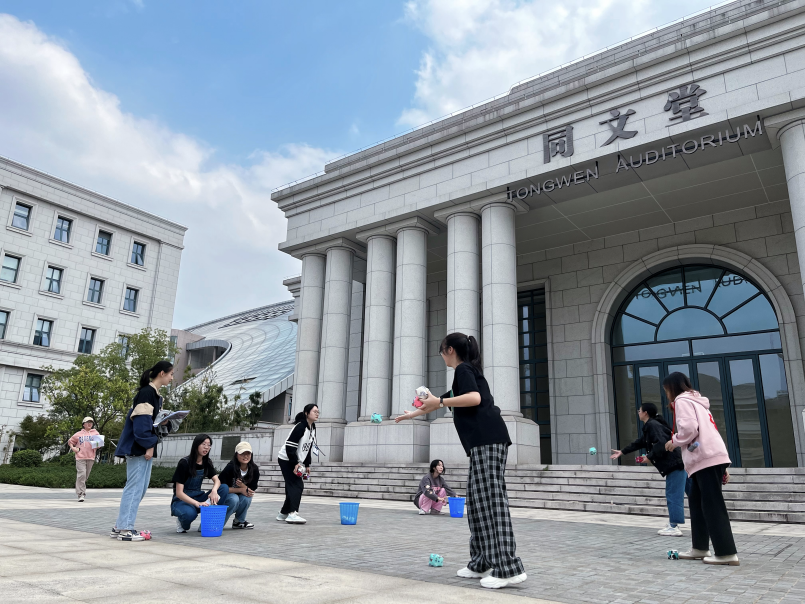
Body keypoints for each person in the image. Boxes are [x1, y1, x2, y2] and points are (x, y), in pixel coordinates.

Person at [396, 332, 526, 589]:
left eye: (441, 350)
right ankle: (481, 562)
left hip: (488, 441)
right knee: (477, 503)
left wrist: (441, 400)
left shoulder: (464, 370)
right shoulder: (464, 376)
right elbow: (437, 403)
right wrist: (413, 414)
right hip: (481, 444)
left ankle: (508, 568)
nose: (441, 356)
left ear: (450, 350)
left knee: (491, 502)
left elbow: (474, 398)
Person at [662, 372, 739, 566]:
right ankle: (700, 547)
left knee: (712, 504)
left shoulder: (682, 401)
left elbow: (689, 429)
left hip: (704, 457)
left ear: (671, 388)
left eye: (666, 390)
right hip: (709, 457)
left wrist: (674, 441)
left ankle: (726, 552)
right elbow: (710, 431)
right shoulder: (698, 402)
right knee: (697, 503)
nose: (666, 394)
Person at [112, 360, 174, 542]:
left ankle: (120, 526)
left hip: (143, 447)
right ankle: (125, 528)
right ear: (162, 373)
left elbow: (149, 422)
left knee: (139, 488)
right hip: (138, 447)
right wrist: (149, 445)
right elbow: (141, 425)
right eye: (171, 374)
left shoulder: (155, 395)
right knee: (134, 488)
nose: (172, 378)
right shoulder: (147, 393)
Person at [610, 402, 687, 536]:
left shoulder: (652, 425)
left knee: (673, 494)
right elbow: (640, 442)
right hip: (679, 463)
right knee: (695, 494)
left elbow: (661, 443)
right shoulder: (651, 426)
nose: (638, 413)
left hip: (675, 464)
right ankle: (705, 522)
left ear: (645, 413)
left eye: (639, 410)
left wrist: (649, 457)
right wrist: (622, 451)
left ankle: (674, 526)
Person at [171, 434, 233, 533]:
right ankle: (182, 521)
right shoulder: (184, 463)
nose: (206, 447)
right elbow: (179, 493)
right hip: (181, 501)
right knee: (189, 515)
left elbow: (217, 480)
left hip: (198, 497)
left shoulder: (206, 462)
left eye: (209, 445)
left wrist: (214, 491)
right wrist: (197, 503)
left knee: (223, 488)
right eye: (204, 444)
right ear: (196, 445)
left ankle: (208, 522)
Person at [276, 403, 318, 525]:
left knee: (292, 486)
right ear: (306, 413)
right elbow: (290, 446)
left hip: (294, 460)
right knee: (297, 485)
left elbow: (308, 447)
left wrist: (307, 464)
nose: (317, 414)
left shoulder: (312, 427)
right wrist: (295, 463)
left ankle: (283, 513)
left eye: (318, 412)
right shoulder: (300, 426)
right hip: (286, 459)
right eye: (314, 411)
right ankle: (292, 514)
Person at [219, 441, 260, 529]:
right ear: (236, 455)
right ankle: (217, 524)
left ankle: (239, 521)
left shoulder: (254, 469)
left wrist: (242, 486)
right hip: (227, 496)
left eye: (248, 453)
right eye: (242, 454)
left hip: (240, 496)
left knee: (247, 497)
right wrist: (240, 490)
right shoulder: (230, 467)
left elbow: (250, 491)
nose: (245, 456)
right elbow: (221, 488)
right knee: (234, 498)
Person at [68, 416, 100, 503]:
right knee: (81, 474)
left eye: (91, 422)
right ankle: (81, 494)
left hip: (90, 457)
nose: (89, 424)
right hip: (80, 457)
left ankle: (80, 487)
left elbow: (99, 444)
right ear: (83, 424)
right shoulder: (78, 434)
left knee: (85, 476)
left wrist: (98, 445)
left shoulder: (95, 433)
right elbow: (70, 441)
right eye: (87, 422)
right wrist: (73, 448)